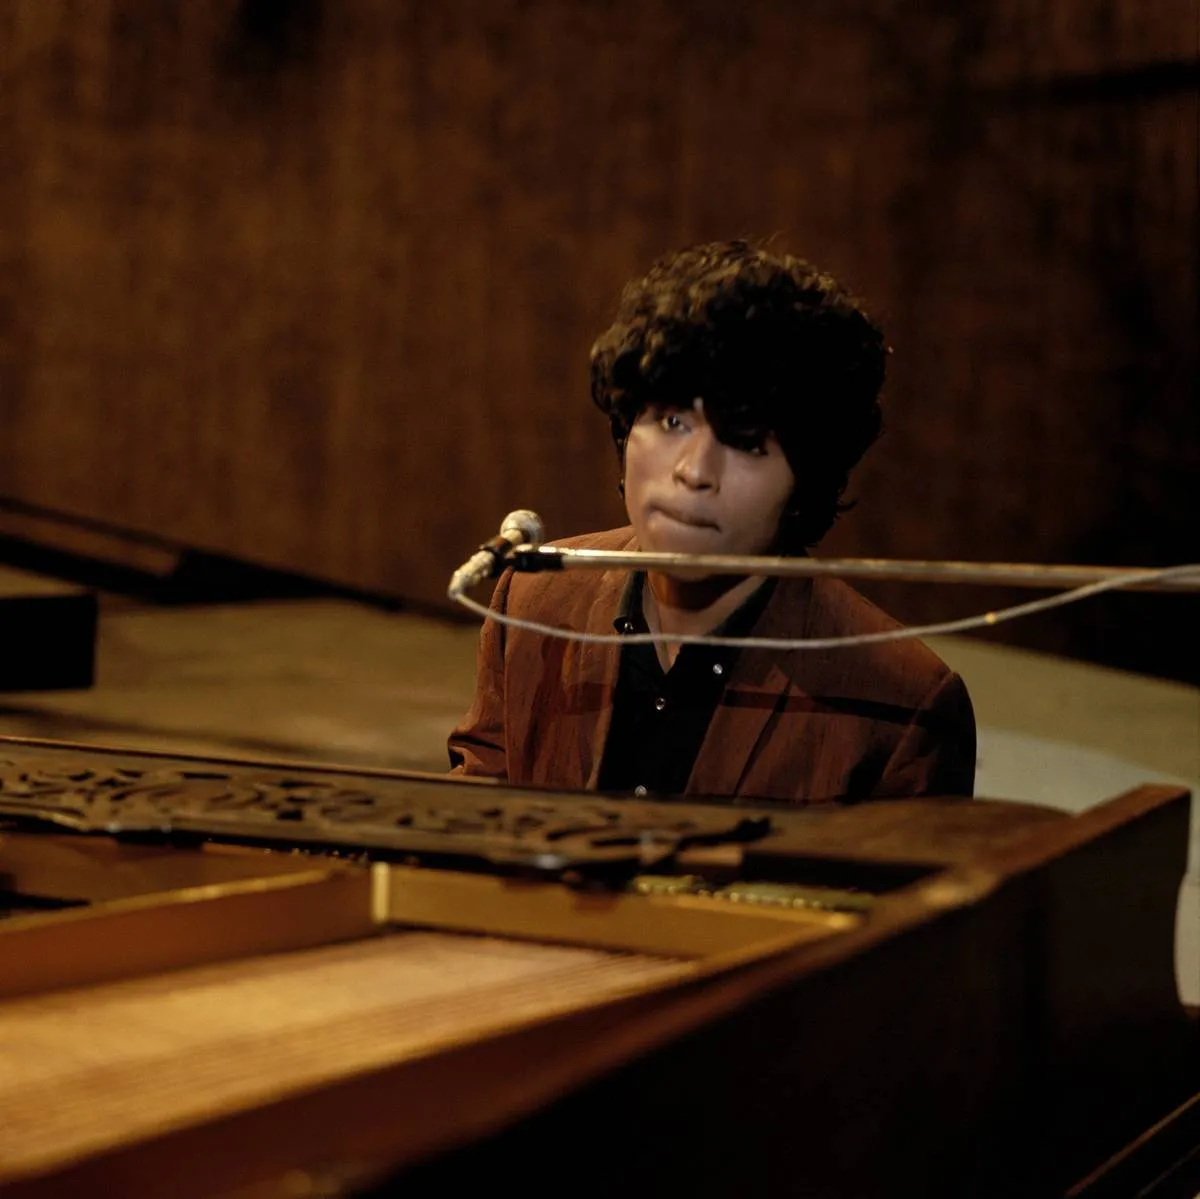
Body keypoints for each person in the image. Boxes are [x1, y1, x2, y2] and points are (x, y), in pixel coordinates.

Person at [448, 240, 976, 803]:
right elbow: (470, 831)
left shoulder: (905, 701)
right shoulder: (531, 601)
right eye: (672, 420)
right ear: (627, 427)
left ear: (806, 477)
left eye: (746, 443)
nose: (695, 471)